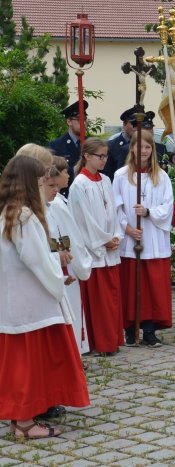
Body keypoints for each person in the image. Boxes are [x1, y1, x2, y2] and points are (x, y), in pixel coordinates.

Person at [0, 155, 89, 439]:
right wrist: (59, 274)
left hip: (18, 301)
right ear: (30, 182)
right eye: (40, 181)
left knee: (20, 364)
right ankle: (24, 422)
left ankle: (21, 418)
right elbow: (36, 260)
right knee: (27, 365)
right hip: (30, 304)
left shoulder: (9, 212)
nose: (43, 186)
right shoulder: (24, 217)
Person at [114, 131, 174, 347]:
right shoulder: (121, 176)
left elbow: (167, 207)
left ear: (152, 150)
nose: (144, 151)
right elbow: (116, 207)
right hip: (132, 240)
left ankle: (149, 330)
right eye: (140, 147)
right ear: (132, 149)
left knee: (151, 287)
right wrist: (128, 228)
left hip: (154, 239)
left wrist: (148, 212)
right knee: (132, 286)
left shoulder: (162, 176)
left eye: (148, 147)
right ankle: (130, 330)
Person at [68, 138, 124, 356]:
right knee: (99, 302)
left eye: (106, 156)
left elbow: (113, 213)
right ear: (87, 156)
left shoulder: (106, 180)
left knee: (111, 300)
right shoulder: (79, 185)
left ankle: (112, 339)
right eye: (100, 156)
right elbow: (83, 221)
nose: (104, 160)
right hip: (95, 250)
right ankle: (100, 342)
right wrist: (103, 240)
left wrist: (116, 235)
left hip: (110, 246)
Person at [44, 163, 93, 356]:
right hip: (61, 263)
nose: (68, 174)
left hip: (64, 259)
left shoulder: (57, 201)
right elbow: (62, 234)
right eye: (64, 171)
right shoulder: (53, 204)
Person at [48, 101, 89, 195]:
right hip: (65, 195)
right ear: (69, 121)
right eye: (79, 120)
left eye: (85, 119)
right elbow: (52, 174)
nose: (83, 123)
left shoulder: (90, 144)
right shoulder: (56, 145)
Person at [102, 107, 136, 180]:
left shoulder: (144, 147)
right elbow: (107, 175)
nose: (137, 127)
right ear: (124, 124)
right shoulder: (111, 146)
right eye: (134, 123)